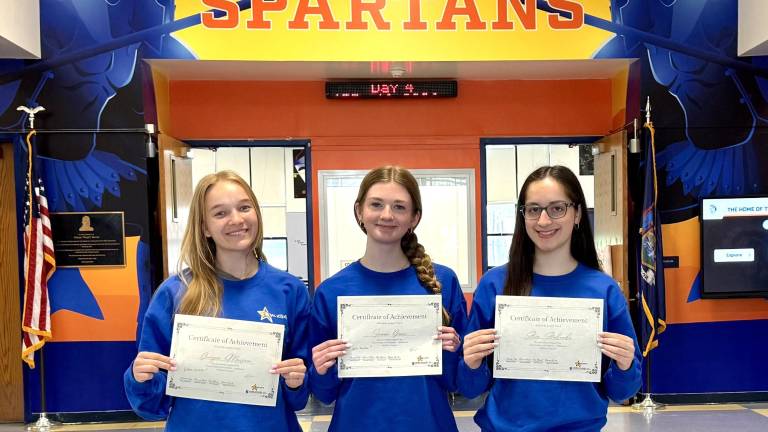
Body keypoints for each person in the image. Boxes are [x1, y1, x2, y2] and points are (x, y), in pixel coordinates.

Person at [458, 165, 641, 431]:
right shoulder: (495, 285)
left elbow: (623, 391)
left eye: (557, 208)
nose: (543, 221)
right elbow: (470, 387)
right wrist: (471, 363)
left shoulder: (604, 290)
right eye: (533, 209)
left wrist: (624, 365)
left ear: (577, 214)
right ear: (523, 216)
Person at [123, 170, 310, 431]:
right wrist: (139, 377)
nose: (236, 219)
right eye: (220, 213)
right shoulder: (176, 292)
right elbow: (151, 405)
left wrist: (297, 380)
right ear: (205, 227)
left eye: (244, 207)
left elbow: (299, 397)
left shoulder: (290, 290)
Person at [310, 166, 468, 431]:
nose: (386, 215)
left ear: (414, 218)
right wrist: (322, 368)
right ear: (359, 211)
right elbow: (324, 394)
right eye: (376, 204)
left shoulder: (443, 282)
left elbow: (459, 383)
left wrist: (453, 352)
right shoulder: (331, 291)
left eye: (399, 207)